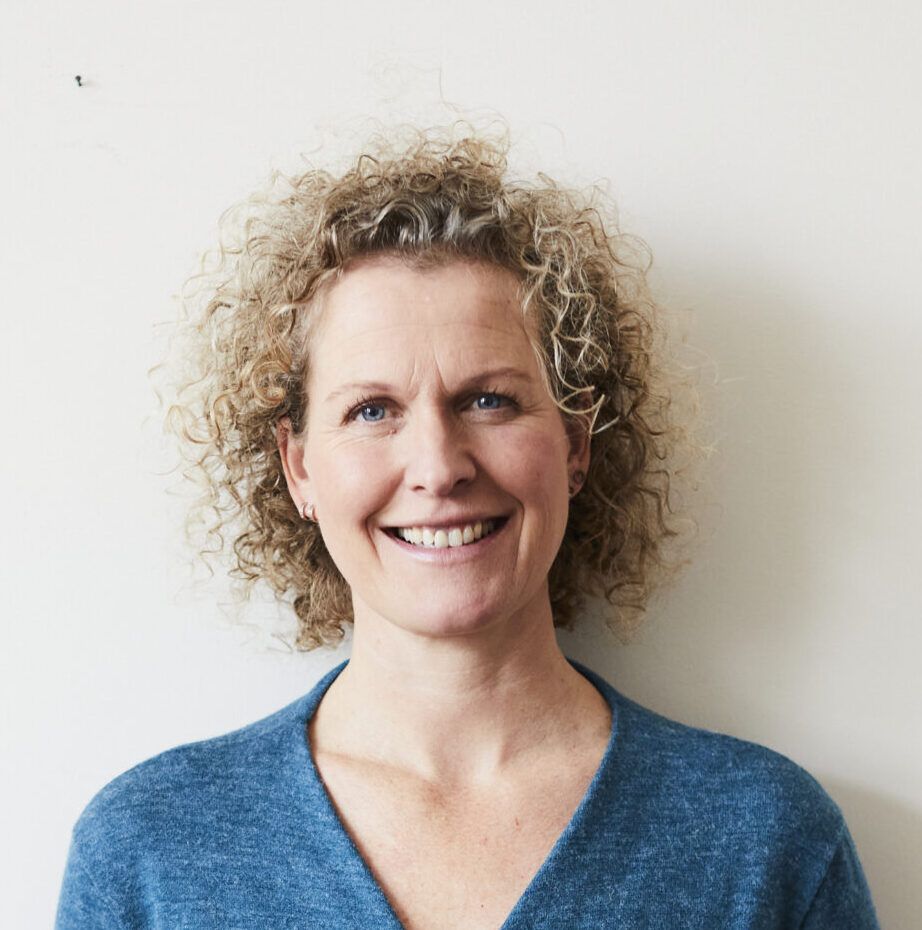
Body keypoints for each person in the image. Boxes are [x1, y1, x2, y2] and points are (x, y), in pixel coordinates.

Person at [55, 126, 880, 929]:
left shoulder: (764, 842)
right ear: (298, 467)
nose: (438, 465)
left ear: (575, 444)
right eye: (371, 410)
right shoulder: (149, 852)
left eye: (489, 400)